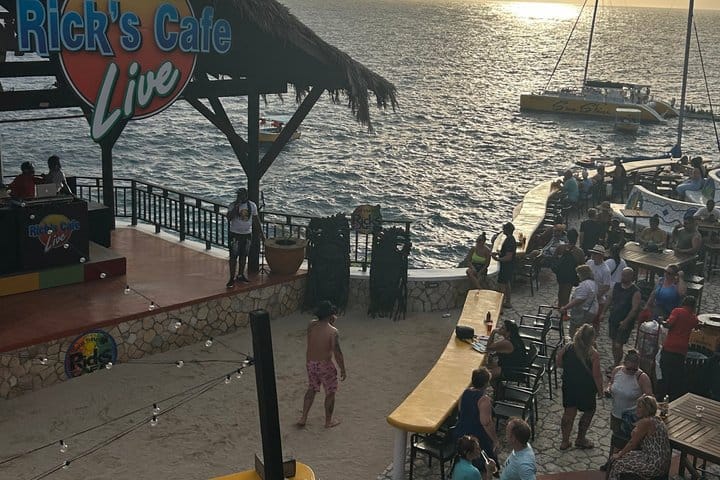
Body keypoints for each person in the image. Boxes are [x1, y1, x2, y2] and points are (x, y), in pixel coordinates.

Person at [297, 301, 346, 428]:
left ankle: (303, 417)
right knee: (330, 392)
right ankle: (328, 421)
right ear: (330, 315)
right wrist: (342, 369)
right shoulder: (333, 331)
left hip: (311, 363)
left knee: (312, 388)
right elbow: (337, 352)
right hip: (325, 365)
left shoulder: (311, 325)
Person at [557, 324, 604, 451]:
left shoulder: (568, 347)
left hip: (569, 385)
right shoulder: (593, 354)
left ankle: (565, 441)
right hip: (586, 389)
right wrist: (600, 391)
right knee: (589, 411)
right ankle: (581, 438)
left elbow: (559, 362)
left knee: (568, 413)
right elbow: (597, 375)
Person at [607, 395, 671, 480]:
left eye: (639, 407)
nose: (636, 409)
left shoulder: (646, 422)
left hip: (653, 463)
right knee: (627, 455)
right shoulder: (657, 419)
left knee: (617, 463)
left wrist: (619, 454)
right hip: (660, 461)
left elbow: (632, 443)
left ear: (646, 409)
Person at [453, 368, 499, 472]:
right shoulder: (483, 400)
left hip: (461, 432)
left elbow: (460, 411)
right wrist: (495, 440)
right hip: (476, 435)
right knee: (485, 459)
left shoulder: (464, 393)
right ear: (485, 383)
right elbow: (486, 423)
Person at [658, 295, 699, 401]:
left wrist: (661, 321)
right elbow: (697, 325)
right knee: (675, 376)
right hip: (681, 351)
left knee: (664, 373)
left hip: (669, 348)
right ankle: (672, 398)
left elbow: (669, 324)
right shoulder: (693, 318)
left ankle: (661, 396)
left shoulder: (677, 311)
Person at [605, 350, 653, 440]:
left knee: (629, 441)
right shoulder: (617, 371)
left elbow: (649, 397)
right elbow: (611, 382)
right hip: (616, 414)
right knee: (615, 438)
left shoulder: (642, 377)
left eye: (634, 369)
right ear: (624, 363)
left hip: (632, 418)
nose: (632, 371)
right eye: (629, 368)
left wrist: (641, 401)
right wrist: (608, 389)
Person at [225, 187, 264, 288]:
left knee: (244, 256)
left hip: (247, 234)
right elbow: (229, 218)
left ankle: (240, 275)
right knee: (233, 257)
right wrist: (236, 207)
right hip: (235, 234)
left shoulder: (252, 205)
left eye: (241, 195)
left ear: (246, 196)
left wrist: (261, 234)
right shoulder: (232, 205)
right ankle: (231, 278)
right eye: (238, 195)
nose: (239, 197)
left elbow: (256, 220)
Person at [607, 268, 642, 367]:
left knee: (618, 344)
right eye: (622, 275)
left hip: (625, 321)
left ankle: (617, 364)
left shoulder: (635, 291)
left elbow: (635, 309)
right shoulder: (616, 286)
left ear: (631, 276)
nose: (623, 277)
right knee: (614, 342)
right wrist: (603, 312)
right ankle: (615, 363)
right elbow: (609, 299)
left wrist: (626, 321)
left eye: (625, 275)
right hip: (614, 319)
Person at [559, 265, 597, 338]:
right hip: (591, 311)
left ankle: (575, 344)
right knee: (583, 332)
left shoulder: (584, 285)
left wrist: (565, 307)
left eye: (578, 274)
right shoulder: (593, 283)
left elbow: (579, 299)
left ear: (582, 274)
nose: (578, 276)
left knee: (574, 332)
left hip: (582, 312)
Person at [553, 228, 585, 312]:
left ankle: (559, 307)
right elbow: (582, 265)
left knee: (560, 291)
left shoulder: (560, 247)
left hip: (560, 274)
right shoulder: (579, 252)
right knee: (566, 294)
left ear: (567, 237)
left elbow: (554, 258)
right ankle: (563, 311)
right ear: (576, 238)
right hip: (571, 275)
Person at [586, 245, 612, 333]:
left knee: (595, 320)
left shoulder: (605, 270)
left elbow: (607, 286)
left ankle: (595, 334)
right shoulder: (589, 263)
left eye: (595, 254)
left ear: (601, 256)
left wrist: (596, 296)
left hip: (598, 298)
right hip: (587, 294)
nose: (593, 255)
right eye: (592, 253)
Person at [492, 222, 517, 309]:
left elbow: (508, 257)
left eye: (504, 229)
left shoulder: (510, 241)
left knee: (502, 285)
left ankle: (500, 304)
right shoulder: (511, 239)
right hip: (509, 266)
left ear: (507, 230)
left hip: (506, 266)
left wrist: (497, 259)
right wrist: (499, 253)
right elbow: (506, 253)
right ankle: (507, 302)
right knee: (507, 283)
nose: (503, 231)